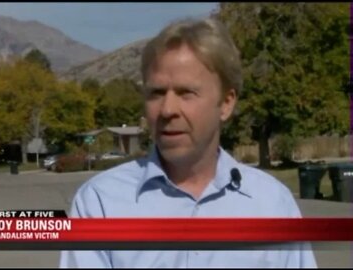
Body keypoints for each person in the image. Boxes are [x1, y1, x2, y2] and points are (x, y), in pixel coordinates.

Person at [59, 17, 317, 268]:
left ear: (226, 103)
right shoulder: (101, 203)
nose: (167, 109)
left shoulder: (272, 205)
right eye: (156, 93)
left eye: (186, 93)